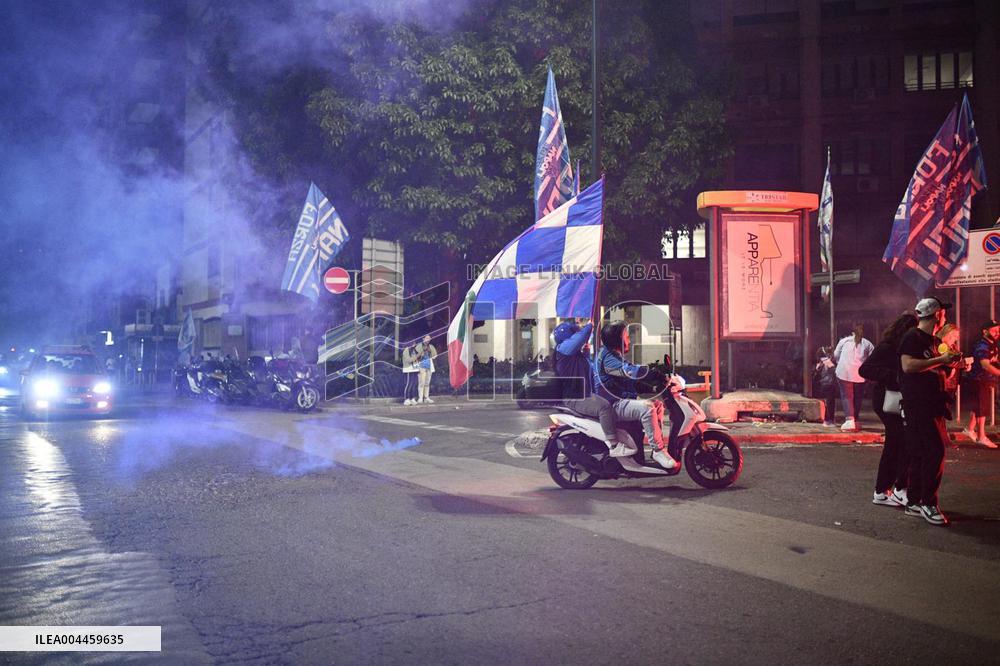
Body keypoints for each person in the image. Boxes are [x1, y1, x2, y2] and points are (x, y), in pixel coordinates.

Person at [898, 296, 962, 526]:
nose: (945, 316)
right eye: (943, 312)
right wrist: (941, 359)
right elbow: (908, 365)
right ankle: (928, 503)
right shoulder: (913, 337)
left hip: (932, 403)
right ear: (937, 315)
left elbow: (936, 367)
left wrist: (952, 363)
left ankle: (914, 501)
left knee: (920, 453)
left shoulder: (933, 340)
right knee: (935, 452)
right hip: (918, 404)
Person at [595, 321, 677, 469]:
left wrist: (653, 388)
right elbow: (631, 371)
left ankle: (654, 449)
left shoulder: (612, 355)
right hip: (613, 403)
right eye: (626, 336)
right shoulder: (609, 359)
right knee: (648, 408)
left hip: (619, 399)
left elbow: (629, 382)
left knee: (657, 405)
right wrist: (655, 374)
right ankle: (658, 450)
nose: (629, 340)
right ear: (617, 340)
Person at [859, 313, 917, 508]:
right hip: (887, 399)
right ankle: (888, 490)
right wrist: (894, 376)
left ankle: (888, 489)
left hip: (897, 399)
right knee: (896, 443)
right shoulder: (887, 347)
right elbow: (865, 369)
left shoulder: (905, 348)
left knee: (899, 443)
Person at [552, 319, 632, 457]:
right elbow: (580, 338)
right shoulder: (563, 349)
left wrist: (586, 353)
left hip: (584, 394)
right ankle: (614, 445)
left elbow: (588, 371)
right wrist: (590, 326)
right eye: (574, 334)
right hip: (575, 397)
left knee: (611, 407)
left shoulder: (574, 356)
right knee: (604, 407)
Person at [963, 320, 1000, 448]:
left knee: (978, 407)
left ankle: (970, 430)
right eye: (994, 330)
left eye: (998, 330)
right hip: (978, 380)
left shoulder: (992, 344)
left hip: (984, 380)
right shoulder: (983, 346)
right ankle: (981, 436)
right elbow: (985, 365)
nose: (997, 333)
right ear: (985, 331)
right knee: (982, 410)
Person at [834, 322, 874, 431]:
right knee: (857, 397)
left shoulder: (843, 341)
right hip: (860, 374)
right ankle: (855, 420)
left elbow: (836, 355)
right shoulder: (868, 344)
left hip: (844, 372)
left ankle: (849, 420)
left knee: (847, 396)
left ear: (851, 331)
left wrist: (840, 362)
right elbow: (872, 359)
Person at [813, 346, 838, 427]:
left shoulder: (820, 363)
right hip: (829, 384)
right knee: (830, 402)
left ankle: (827, 420)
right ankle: (828, 420)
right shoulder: (827, 362)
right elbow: (835, 371)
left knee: (827, 402)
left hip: (823, 384)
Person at [415, 335, 436, 404]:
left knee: (427, 383)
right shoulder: (419, 346)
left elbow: (435, 355)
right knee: (421, 382)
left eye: (429, 338)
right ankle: (420, 397)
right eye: (427, 338)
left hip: (429, 366)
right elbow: (415, 356)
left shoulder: (431, 346)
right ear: (423, 339)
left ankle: (426, 397)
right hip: (421, 366)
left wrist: (432, 354)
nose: (428, 339)